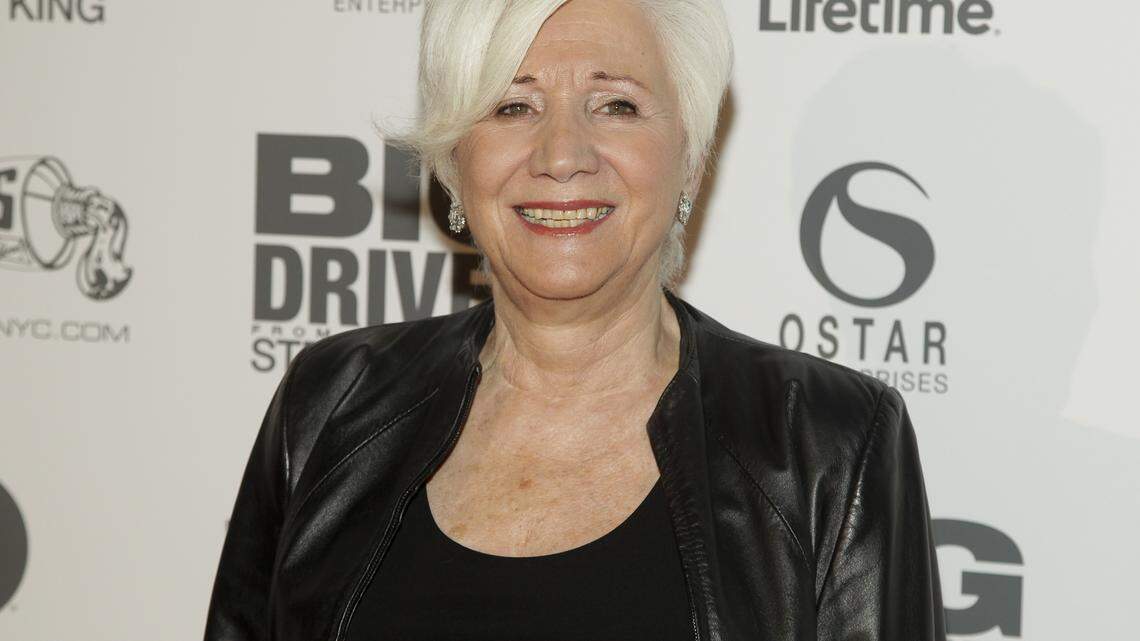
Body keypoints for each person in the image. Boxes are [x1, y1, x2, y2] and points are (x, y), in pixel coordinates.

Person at [204, 0, 947, 639]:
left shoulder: (826, 440)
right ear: (455, 159)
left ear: (690, 158)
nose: (562, 156)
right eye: (513, 106)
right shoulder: (331, 402)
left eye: (615, 105)